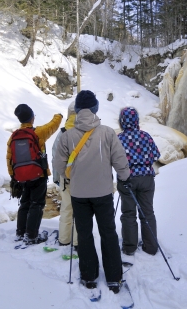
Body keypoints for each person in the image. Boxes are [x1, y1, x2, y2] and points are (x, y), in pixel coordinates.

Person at [53, 90, 131, 294]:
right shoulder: (107, 132)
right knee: (108, 232)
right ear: (95, 108)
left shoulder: (67, 136)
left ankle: (89, 276)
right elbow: (119, 159)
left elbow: (58, 163)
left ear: (77, 110)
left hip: (79, 194)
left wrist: (71, 177)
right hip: (103, 192)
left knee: (85, 234)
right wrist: (125, 176)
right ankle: (114, 277)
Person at [7, 104, 62, 245]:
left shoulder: (13, 136)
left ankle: (20, 232)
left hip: (21, 177)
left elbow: (9, 158)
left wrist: (13, 176)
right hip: (38, 174)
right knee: (36, 204)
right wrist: (59, 115)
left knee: (25, 203)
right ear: (32, 118)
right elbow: (53, 125)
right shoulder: (38, 133)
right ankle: (31, 236)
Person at [117, 107, 161, 256]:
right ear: (137, 120)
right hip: (146, 177)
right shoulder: (145, 136)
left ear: (122, 121)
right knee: (148, 212)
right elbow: (156, 155)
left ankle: (130, 247)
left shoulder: (119, 138)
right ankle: (151, 246)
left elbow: (114, 160)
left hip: (127, 178)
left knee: (128, 213)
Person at [51, 101, 78, 249]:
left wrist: (57, 178)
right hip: (83, 179)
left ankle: (64, 239)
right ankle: (77, 241)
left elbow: (56, 158)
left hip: (65, 178)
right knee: (80, 211)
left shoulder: (62, 133)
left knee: (67, 209)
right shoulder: (88, 132)